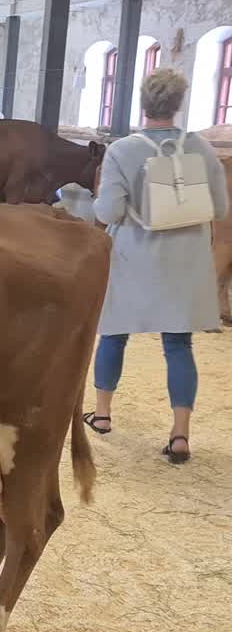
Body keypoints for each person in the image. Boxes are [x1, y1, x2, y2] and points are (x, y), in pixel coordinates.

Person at [85, 69, 229, 464]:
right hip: (185, 258)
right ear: (178, 104)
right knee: (179, 345)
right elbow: (218, 208)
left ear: (143, 103)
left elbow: (109, 210)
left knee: (113, 334)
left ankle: (102, 415)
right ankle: (180, 435)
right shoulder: (201, 148)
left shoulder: (123, 150)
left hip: (134, 255)